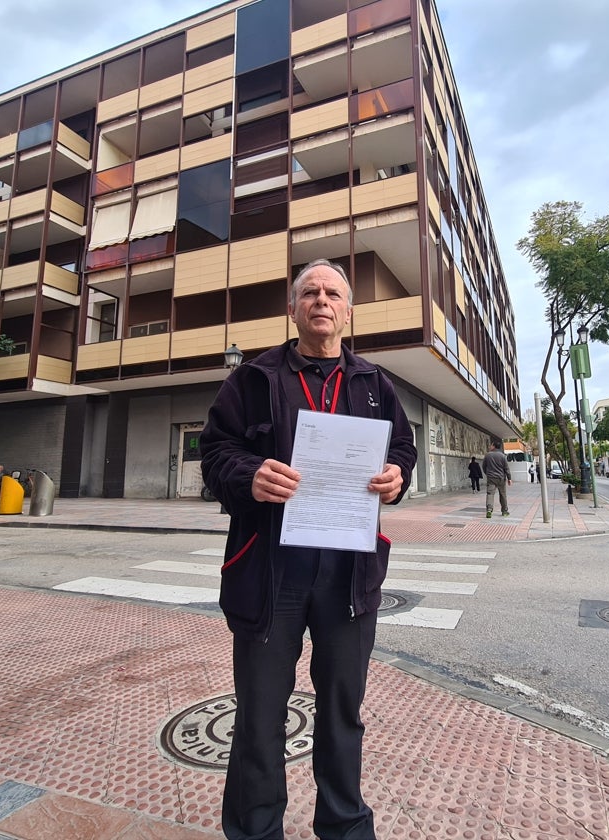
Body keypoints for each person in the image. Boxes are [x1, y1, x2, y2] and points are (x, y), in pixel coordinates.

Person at [200, 258, 417, 840]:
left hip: (349, 575)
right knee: (260, 717)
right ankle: (255, 830)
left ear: (348, 310)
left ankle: (346, 827)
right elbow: (214, 453)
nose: (322, 300)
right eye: (310, 292)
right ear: (292, 309)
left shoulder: (376, 384)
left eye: (333, 293)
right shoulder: (251, 379)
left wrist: (397, 475)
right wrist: (249, 477)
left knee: (342, 714)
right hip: (272, 573)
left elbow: (402, 449)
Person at [482, 441, 511, 518]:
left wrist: (487, 473)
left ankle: (489, 509)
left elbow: (484, 466)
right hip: (501, 478)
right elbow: (506, 468)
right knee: (503, 494)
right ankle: (504, 511)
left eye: (491, 445)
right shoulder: (502, 456)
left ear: (494, 446)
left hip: (491, 478)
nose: (490, 446)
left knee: (490, 494)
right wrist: (509, 478)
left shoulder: (488, 455)